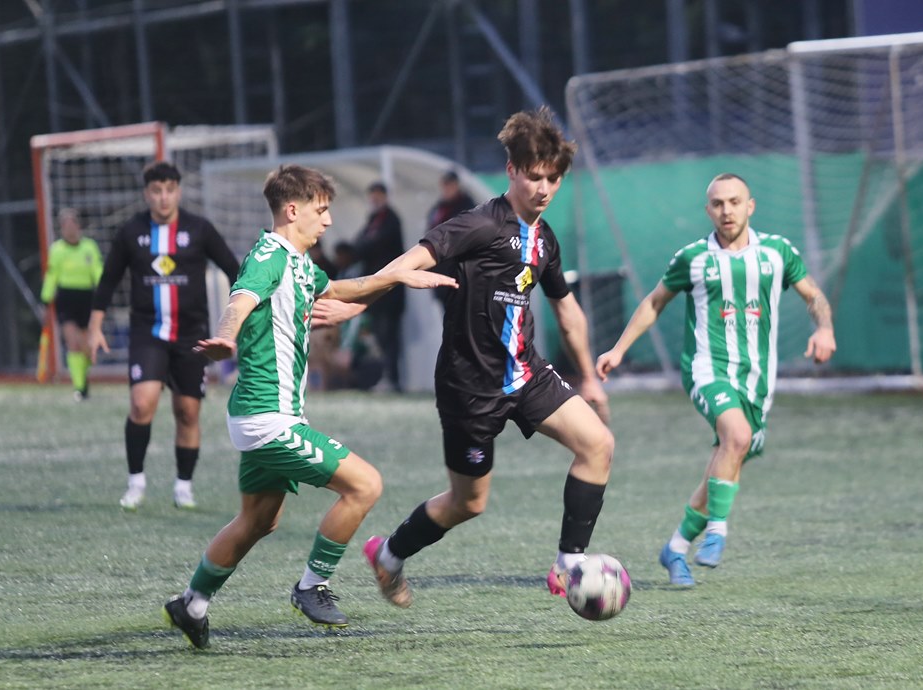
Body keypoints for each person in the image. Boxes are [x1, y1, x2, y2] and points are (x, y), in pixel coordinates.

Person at [315, 106, 614, 609]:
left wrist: (589, 376)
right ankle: (389, 554)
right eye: (534, 176)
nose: (543, 188)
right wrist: (353, 304)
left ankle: (569, 563)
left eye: (553, 179)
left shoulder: (545, 241)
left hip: (527, 373)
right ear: (512, 171)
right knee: (468, 503)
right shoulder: (478, 225)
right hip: (468, 387)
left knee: (598, 446)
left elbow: (568, 311)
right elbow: (407, 265)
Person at [162, 164, 456, 645]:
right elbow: (240, 300)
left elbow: (343, 290)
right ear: (292, 210)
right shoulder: (269, 256)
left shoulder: (299, 263)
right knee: (365, 485)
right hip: (267, 418)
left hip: (267, 416)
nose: (328, 222)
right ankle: (311, 586)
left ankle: (191, 604)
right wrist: (224, 338)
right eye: (321, 211)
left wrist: (399, 276)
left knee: (259, 519)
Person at [595, 173, 836, 586]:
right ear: (708, 210)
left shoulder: (777, 252)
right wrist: (618, 348)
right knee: (737, 437)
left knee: (730, 456)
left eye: (734, 201)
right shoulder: (693, 258)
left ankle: (675, 548)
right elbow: (655, 302)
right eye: (718, 203)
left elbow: (813, 295)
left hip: (758, 379)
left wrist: (825, 329)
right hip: (707, 368)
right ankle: (718, 532)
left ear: (750, 206)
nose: (726, 210)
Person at [87, 161, 240, 511]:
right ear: (147, 194)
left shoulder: (199, 229)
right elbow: (108, 279)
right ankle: (136, 482)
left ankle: (183, 486)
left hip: (192, 336)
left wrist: (240, 319)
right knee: (142, 404)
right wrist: (95, 327)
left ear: (178, 191)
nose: (163, 197)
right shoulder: (131, 232)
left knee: (187, 413)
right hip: (148, 333)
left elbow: (235, 270)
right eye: (156, 191)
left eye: (169, 190)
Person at [40, 208, 104, 401]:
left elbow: (98, 270)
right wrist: (46, 297)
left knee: (86, 347)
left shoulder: (89, 247)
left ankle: (83, 380)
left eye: (72, 224)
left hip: (87, 298)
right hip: (66, 298)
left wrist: (104, 291)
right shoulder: (57, 250)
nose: (69, 229)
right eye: (65, 225)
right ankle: (79, 387)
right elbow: (52, 275)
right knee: (72, 342)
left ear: (78, 226)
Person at [354, 182, 405, 392]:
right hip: (376, 291)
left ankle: (392, 378)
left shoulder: (391, 220)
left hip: (390, 291)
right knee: (379, 336)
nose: (374, 199)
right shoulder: (373, 220)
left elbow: (373, 245)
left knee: (390, 335)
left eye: (377, 195)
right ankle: (385, 375)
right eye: (371, 195)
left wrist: (368, 244)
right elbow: (359, 245)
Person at [426, 170, 476, 308]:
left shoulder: (467, 207)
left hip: (461, 274)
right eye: (445, 185)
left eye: (450, 185)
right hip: (441, 273)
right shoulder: (438, 209)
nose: (447, 189)